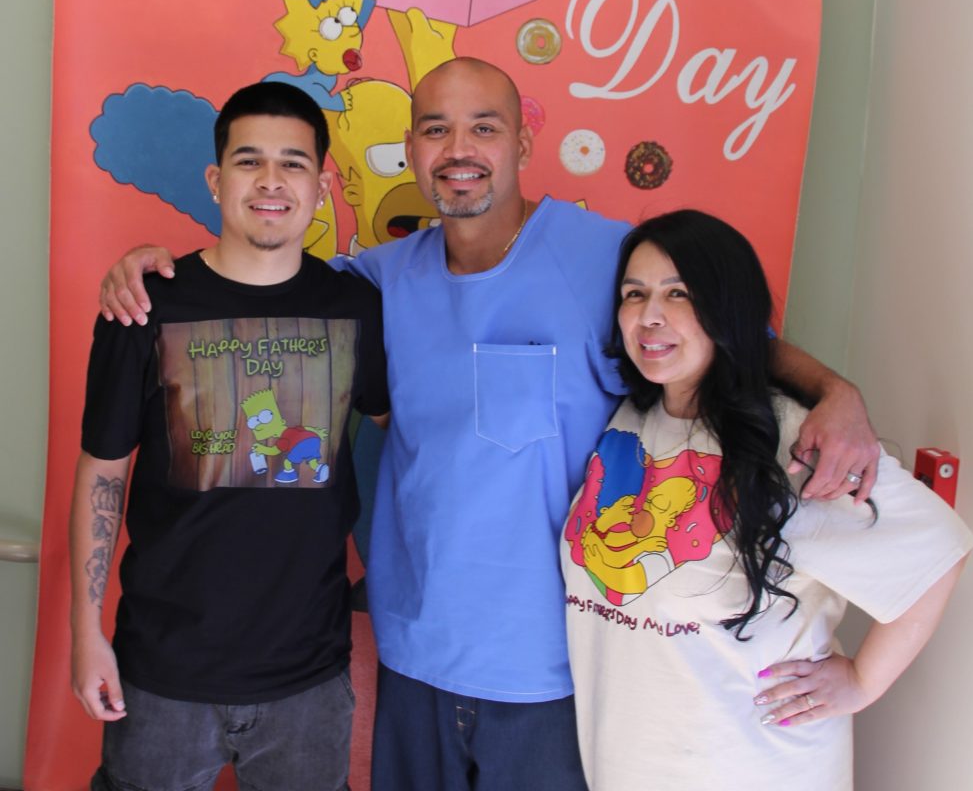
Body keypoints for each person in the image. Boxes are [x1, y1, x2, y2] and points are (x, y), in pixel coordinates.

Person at [98, 58, 882, 791]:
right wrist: (150, 272)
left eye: (483, 126)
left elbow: (727, 335)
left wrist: (833, 389)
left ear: (523, 140)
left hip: (558, 663)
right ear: (409, 148)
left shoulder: (607, 256)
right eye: (435, 128)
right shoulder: (375, 282)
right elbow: (253, 280)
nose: (457, 148)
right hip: (414, 655)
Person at [561, 209, 971, 791]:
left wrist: (861, 681)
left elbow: (937, 548)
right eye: (635, 293)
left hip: (753, 766)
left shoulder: (789, 442)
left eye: (679, 293)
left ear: (726, 308)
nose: (649, 315)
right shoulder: (634, 417)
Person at [71, 82, 389, 791]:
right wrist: (85, 633)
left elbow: (407, 433)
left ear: (320, 183)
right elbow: (103, 472)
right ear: (217, 180)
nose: (271, 182)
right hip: (161, 671)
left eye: (293, 163)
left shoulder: (357, 308)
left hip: (306, 676)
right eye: (249, 162)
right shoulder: (146, 305)